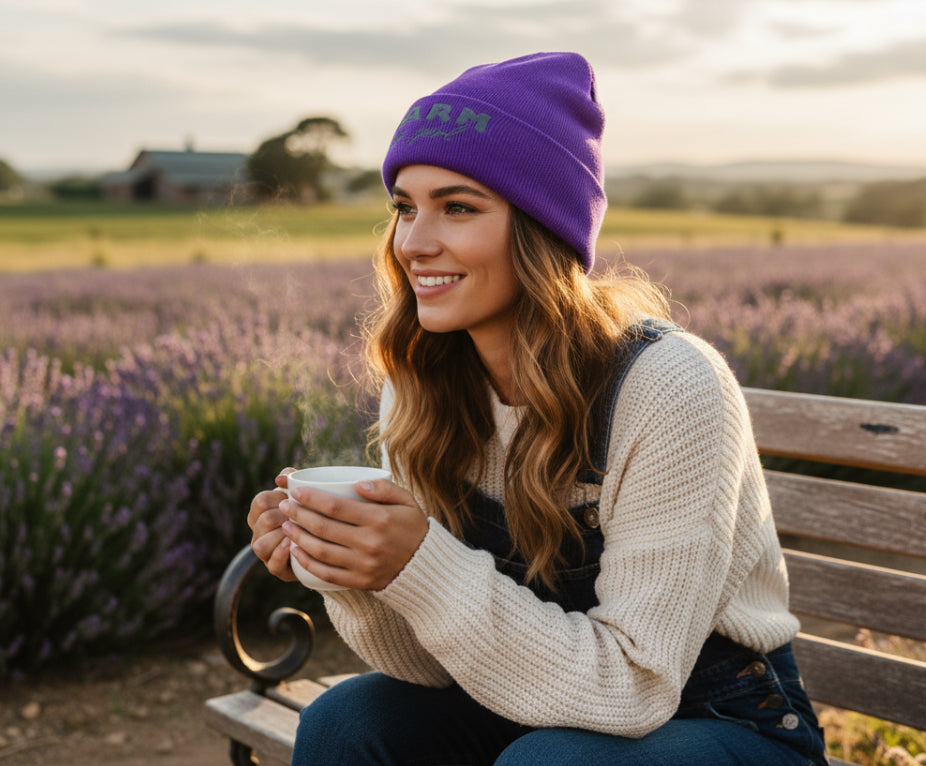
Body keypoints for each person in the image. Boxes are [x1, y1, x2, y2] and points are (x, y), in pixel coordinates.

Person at [248, 51, 828, 766]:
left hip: (721, 716)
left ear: (540, 227)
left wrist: (419, 562)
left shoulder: (668, 386)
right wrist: (355, 569)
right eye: (405, 206)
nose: (413, 243)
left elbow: (636, 688)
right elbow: (431, 667)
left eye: (457, 207)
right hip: (539, 702)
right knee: (346, 721)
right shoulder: (425, 379)